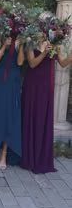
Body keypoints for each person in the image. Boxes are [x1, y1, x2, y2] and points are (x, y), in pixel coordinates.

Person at [21, 37, 72, 174]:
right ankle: (29, 156)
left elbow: (62, 63)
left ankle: (41, 155)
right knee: (32, 117)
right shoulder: (31, 41)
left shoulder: (55, 44)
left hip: (46, 86)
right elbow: (32, 64)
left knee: (43, 118)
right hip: (32, 85)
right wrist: (44, 53)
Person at [0, 37, 24, 170]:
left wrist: (20, 46)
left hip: (12, 82)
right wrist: (3, 46)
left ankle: (4, 154)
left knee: (9, 116)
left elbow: (20, 62)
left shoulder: (20, 41)